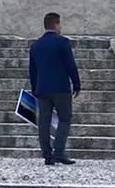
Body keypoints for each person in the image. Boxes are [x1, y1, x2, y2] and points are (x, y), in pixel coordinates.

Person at [26, 11, 82, 166]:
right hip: (60, 88)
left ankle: (47, 155)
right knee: (64, 119)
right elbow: (70, 65)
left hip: (42, 88)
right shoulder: (62, 42)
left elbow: (33, 70)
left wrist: (35, 88)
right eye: (60, 24)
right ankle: (59, 152)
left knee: (43, 121)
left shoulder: (36, 45)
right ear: (56, 24)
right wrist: (76, 84)